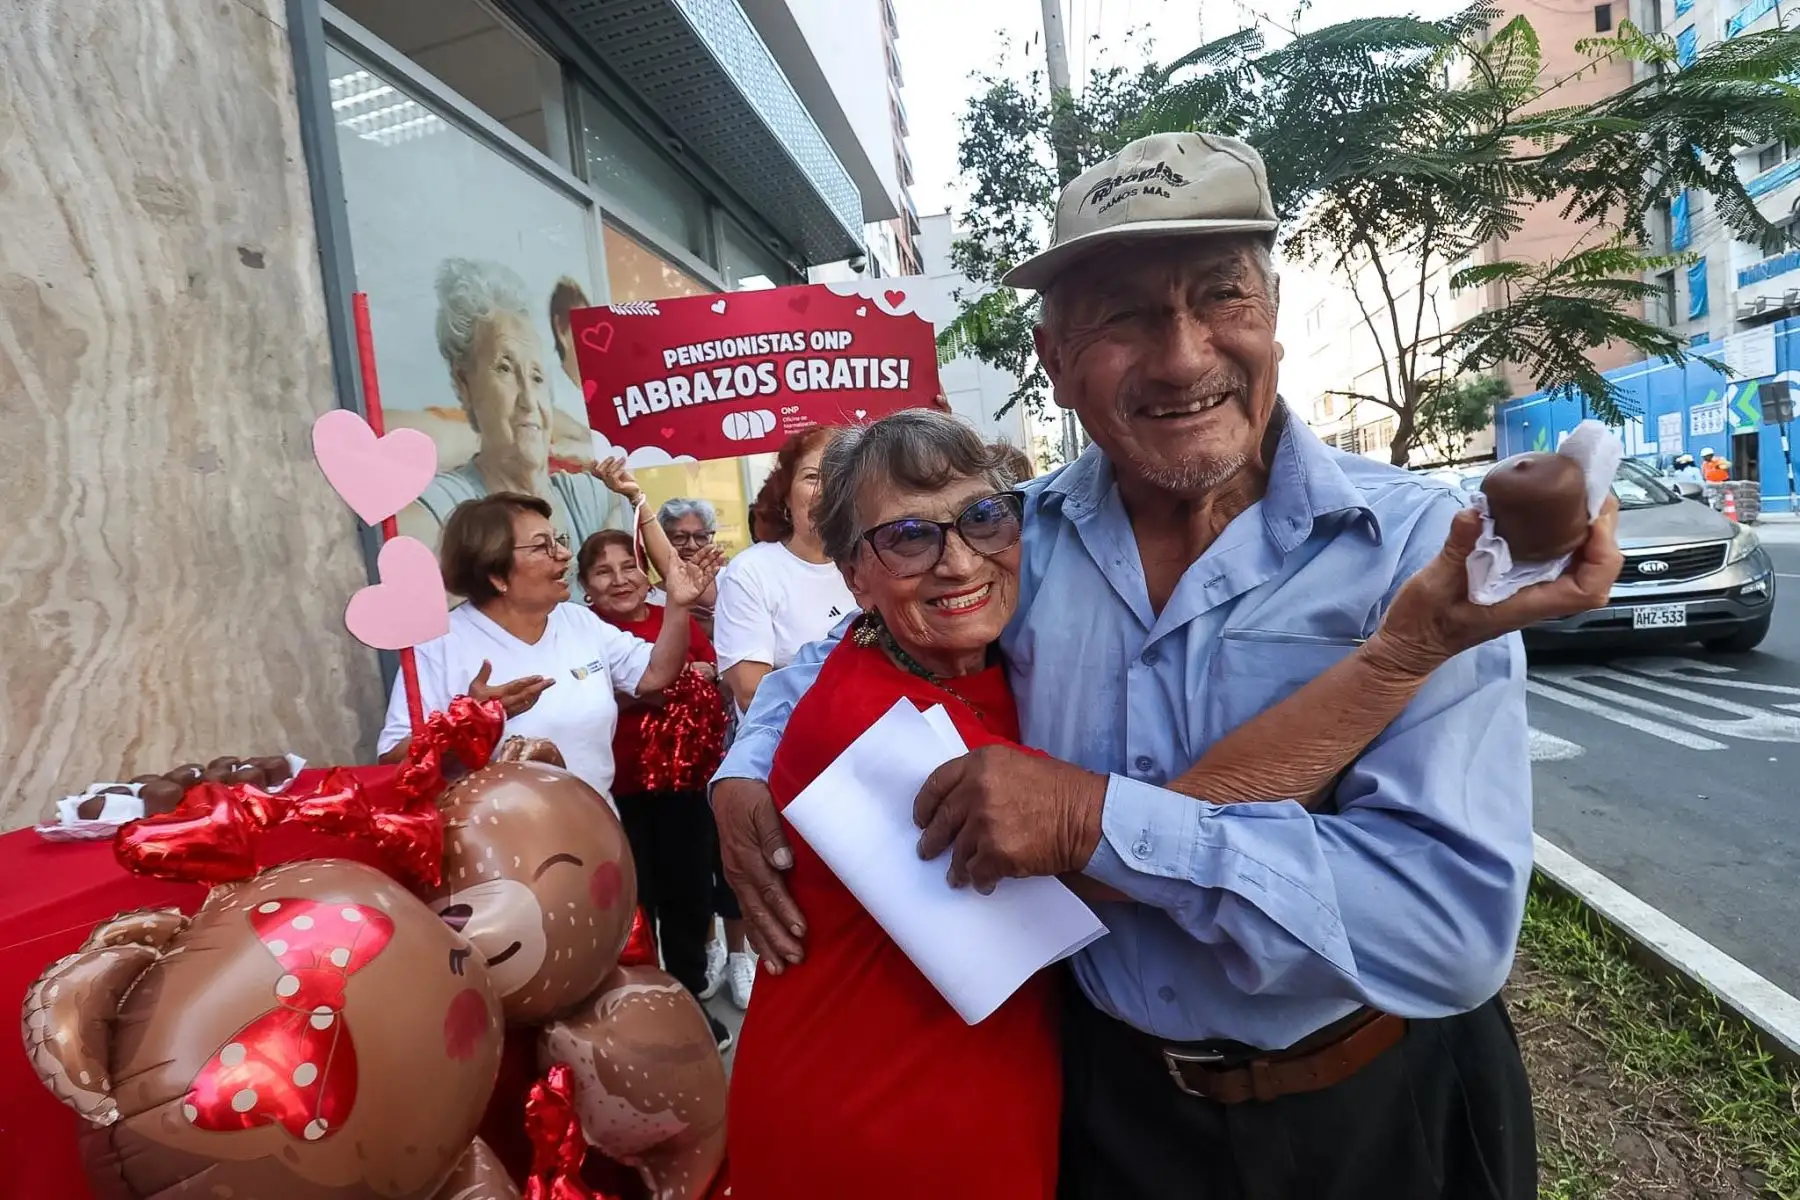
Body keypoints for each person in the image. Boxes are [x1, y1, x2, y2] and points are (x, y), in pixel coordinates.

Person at [713, 133, 1625, 1200]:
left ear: (1273, 316)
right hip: (1112, 1116)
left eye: (1220, 296)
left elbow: (1447, 932)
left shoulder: (1421, 551)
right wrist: (745, 764)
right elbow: (845, 637)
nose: (1185, 355)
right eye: (1126, 315)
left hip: (1374, 1114)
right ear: (1055, 360)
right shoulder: (1017, 537)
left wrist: (1098, 823)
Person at [376, 493, 718, 804]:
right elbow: (396, 760)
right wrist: (470, 725)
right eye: (543, 546)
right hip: (497, 846)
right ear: (496, 573)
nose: (565, 555)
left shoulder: (578, 622)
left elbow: (656, 673)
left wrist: (677, 604)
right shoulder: (441, 644)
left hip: (596, 826)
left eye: (560, 541)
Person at [708, 426, 854, 1009]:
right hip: (792, 781)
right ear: (785, 493)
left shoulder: (878, 557)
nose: (826, 490)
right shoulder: (754, 573)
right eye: (814, 476)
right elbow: (751, 689)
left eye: (840, 476)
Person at [579, 529, 732, 1052]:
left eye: (629, 567)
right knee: (633, 904)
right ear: (585, 588)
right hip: (617, 795)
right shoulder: (583, 633)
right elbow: (619, 690)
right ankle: (639, 1010)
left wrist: (698, 677)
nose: (620, 579)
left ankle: (689, 1001)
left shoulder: (674, 617)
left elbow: (709, 669)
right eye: (603, 571)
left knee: (689, 897)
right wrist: (640, 694)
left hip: (682, 786)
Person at [399, 259, 629, 554]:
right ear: (463, 383)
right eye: (504, 369)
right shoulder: (446, 510)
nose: (529, 400)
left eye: (537, 377)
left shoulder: (584, 496)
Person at [647, 498, 723, 634]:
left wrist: (715, 627)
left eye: (701, 536)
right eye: (679, 537)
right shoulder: (650, 600)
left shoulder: (732, 580)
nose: (692, 546)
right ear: (663, 540)